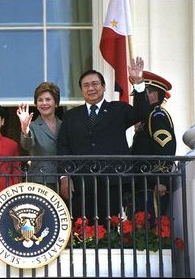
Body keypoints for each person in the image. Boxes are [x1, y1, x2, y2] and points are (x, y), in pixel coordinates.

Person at [57, 57, 150, 224]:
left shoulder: (118, 109)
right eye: (86, 85)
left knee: (110, 229)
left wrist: (138, 84)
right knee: (82, 231)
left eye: (95, 84)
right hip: (81, 182)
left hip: (112, 181)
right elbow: (64, 146)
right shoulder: (71, 116)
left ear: (104, 87)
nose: (91, 88)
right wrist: (64, 177)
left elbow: (142, 113)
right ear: (81, 90)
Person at [130, 69, 176, 223]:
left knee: (151, 230)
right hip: (143, 184)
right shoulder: (146, 118)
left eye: (144, 95)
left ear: (154, 95)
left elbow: (165, 147)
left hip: (152, 185)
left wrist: (160, 179)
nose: (137, 101)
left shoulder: (157, 115)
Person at [16, 82, 62, 190]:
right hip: (39, 181)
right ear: (36, 104)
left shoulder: (64, 125)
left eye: (48, 99)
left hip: (62, 180)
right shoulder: (32, 126)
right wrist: (25, 129)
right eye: (40, 100)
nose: (44, 103)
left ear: (56, 103)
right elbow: (26, 145)